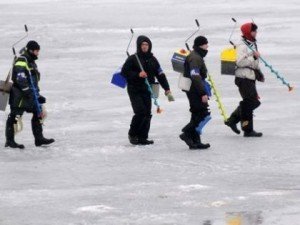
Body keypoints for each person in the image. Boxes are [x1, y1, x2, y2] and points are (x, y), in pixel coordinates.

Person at [121, 35, 174, 145]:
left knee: (147, 114)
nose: (145, 47)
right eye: (143, 45)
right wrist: (138, 74)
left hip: (147, 89)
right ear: (139, 46)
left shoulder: (153, 59)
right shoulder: (133, 58)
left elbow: (160, 75)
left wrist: (167, 89)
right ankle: (132, 134)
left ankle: (142, 137)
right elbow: (124, 72)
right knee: (140, 112)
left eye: (147, 45)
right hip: (134, 89)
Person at [5, 40, 55, 149]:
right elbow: (21, 80)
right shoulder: (22, 61)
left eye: (38, 51)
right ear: (31, 50)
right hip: (19, 96)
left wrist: (37, 96)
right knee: (14, 116)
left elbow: (33, 81)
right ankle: (9, 141)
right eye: (36, 51)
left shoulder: (31, 61)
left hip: (29, 95)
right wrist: (30, 94)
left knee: (38, 112)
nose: (38, 53)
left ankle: (39, 139)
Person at [225, 22, 264, 137]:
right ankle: (247, 130)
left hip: (249, 77)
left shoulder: (251, 44)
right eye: (254, 31)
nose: (256, 33)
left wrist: (259, 72)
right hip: (243, 77)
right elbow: (239, 62)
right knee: (250, 102)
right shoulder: (242, 46)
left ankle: (232, 120)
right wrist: (253, 56)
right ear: (248, 32)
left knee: (253, 102)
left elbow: (253, 62)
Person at [179, 36, 211, 150]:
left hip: (195, 88)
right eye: (206, 44)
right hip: (195, 89)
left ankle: (195, 141)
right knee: (202, 113)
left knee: (196, 113)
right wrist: (203, 93)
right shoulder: (195, 57)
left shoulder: (197, 56)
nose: (207, 46)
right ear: (200, 45)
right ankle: (186, 133)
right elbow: (195, 75)